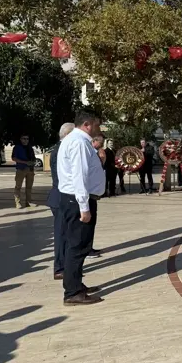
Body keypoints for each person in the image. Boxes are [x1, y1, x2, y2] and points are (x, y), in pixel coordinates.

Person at [57, 110, 105, 305]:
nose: (99, 128)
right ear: (87, 124)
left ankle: (75, 284)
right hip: (77, 202)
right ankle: (72, 292)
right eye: (97, 125)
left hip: (74, 200)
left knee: (76, 245)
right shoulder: (78, 142)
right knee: (78, 246)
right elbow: (79, 176)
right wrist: (84, 207)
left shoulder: (77, 140)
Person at [47, 122, 75, 279]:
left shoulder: (61, 148)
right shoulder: (61, 150)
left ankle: (64, 265)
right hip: (60, 197)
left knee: (66, 234)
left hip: (61, 196)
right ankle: (59, 267)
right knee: (61, 234)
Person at [12, 133, 36, 209]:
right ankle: (17, 202)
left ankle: (28, 202)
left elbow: (33, 157)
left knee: (29, 186)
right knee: (18, 186)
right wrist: (25, 162)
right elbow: (14, 158)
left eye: (27, 139)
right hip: (21, 169)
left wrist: (33, 162)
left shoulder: (30, 148)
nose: (26, 140)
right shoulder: (17, 148)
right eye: (24, 139)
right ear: (21, 139)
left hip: (30, 169)